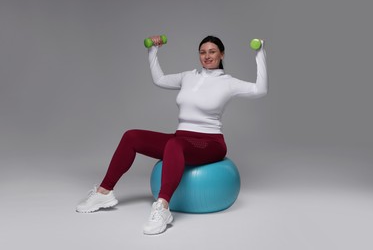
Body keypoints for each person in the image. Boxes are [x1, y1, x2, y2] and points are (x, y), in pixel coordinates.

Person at [76, 35, 268, 235]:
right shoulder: (189, 76)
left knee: (174, 145)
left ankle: (163, 208)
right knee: (131, 136)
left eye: (212, 52)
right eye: (203, 52)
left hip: (210, 142)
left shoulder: (229, 82)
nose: (207, 56)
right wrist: (153, 51)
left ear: (222, 54)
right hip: (182, 137)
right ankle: (104, 192)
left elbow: (260, 90)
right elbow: (159, 79)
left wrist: (260, 53)